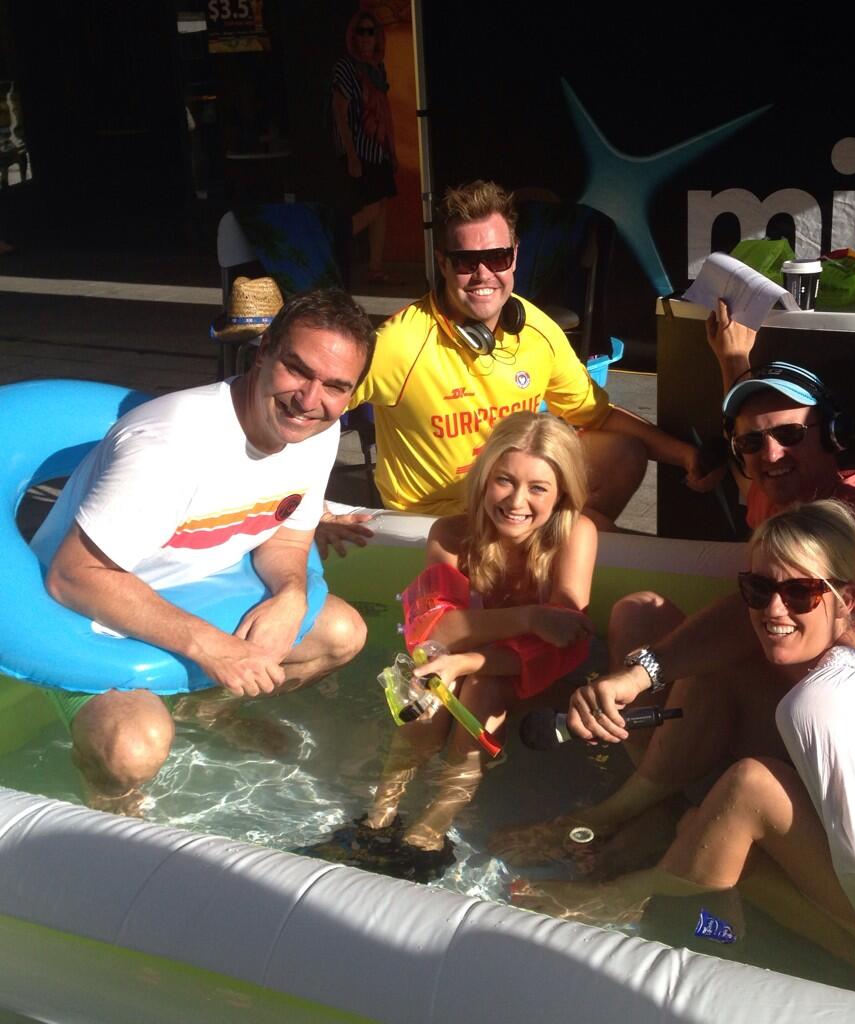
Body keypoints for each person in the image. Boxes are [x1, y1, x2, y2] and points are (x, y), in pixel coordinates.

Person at [511, 500, 855, 1013]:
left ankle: (626, 893)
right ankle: (680, 877)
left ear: (844, 599)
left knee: (747, 790)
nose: (774, 610)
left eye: (801, 593)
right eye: (758, 590)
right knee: (714, 832)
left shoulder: (817, 703)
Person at [490, 306, 855, 869]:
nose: (771, 454)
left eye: (790, 435)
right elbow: (753, 465)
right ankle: (660, 803)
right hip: (781, 704)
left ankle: (616, 813)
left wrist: (642, 673)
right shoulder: (778, 494)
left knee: (715, 667)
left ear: (834, 436)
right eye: (752, 443)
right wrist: (733, 361)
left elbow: (755, 626)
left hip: (848, 732)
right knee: (638, 613)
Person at [33, 290, 376, 813]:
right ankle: (104, 791)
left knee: (342, 635)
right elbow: (71, 576)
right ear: (264, 351)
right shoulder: (171, 444)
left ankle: (202, 711)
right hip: (84, 619)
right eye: (297, 370)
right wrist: (211, 646)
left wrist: (290, 594)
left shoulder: (316, 432)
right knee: (132, 749)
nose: (310, 399)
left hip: (191, 599)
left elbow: (286, 534)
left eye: (335, 386)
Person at [341, 180, 719, 529]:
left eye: (497, 257)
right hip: (439, 525)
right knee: (599, 542)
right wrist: (317, 512)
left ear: (515, 255)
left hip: (513, 504)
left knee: (623, 454)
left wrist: (685, 454)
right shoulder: (398, 342)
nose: (484, 274)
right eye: (466, 261)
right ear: (443, 263)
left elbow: (598, 414)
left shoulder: (537, 330)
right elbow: (315, 409)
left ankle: (555, 554)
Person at [362, 411, 597, 858]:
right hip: (462, 668)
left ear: (562, 492)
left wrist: (466, 661)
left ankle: (434, 823)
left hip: (533, 681)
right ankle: (380, 813)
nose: (516, 501)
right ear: (484, 477)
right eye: (504, 480)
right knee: (429, 690)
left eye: (538, 488)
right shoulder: (452, 534)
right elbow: (434, 630)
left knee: (481, 688)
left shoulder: (574, 535)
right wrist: (530, 617)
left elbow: (564, 642)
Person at [331, 9, 397, 284]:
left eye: (371, 32)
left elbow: (384, 111)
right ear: (353, 36)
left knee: (381, 208)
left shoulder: (377, 67)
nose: (366, 37)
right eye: (361, 31)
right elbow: (339, 112)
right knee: (371, 209)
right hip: (360, 148)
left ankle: (375, 268)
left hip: (379, 149)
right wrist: (351, 155)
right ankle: (331, 246)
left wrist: (391, 150)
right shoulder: (346, 68)